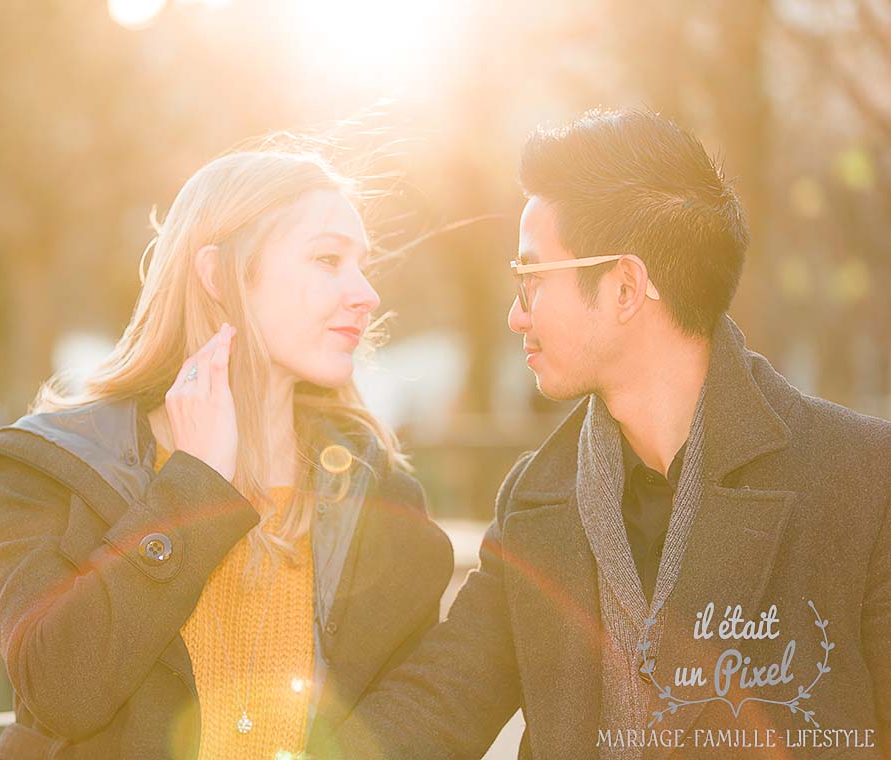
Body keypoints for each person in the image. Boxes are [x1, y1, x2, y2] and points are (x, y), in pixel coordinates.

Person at [328, 109, 891, 759]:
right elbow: (438, 703)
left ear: (626, 287)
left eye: (532, 279)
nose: (515, 315)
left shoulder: (863, 480)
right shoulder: (537, 500)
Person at [0, 149, 453, 759]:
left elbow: (409, 722)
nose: (367, 294)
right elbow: (61, 694)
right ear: (219, 276)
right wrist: (193, 485)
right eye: (328, 259)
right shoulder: (54, 468)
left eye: (363, 265)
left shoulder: (376, 493)